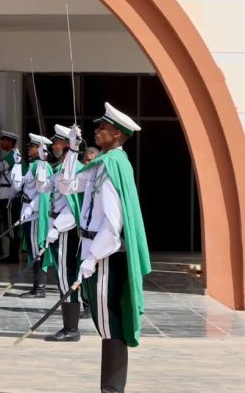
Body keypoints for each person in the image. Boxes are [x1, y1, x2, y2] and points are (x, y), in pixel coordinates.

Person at [58, 103, 151, 393]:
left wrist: (91, 257)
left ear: (118, 134)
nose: (97, 131)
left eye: (103, 128)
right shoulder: (102, 164)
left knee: (110, 324)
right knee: (105, 323)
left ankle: (112, 389)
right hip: (94, 250)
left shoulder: (113, 165)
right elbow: (67, 185)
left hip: (105, 255)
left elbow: (113, 224)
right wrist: (72, 151)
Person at [40, 125, 83, 341]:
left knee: (66, 276)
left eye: (56, 143)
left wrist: (57, 228)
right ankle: (69, 326)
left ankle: (71, 328)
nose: (53, 146)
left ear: (67, 144)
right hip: (58, 227)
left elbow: (73, 207)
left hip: (66, 229)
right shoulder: (60, 169)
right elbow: (42, 188)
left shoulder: (75, 169)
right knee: (62, 276)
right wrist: (41, 162)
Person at [12, 133, 53, 298]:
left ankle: (40, 288)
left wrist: (30, 208)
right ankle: (37, 287)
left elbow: (44, 193)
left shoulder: (42, 166)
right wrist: (16, 164)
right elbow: (17, 186)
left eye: (32, 147)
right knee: (32, 250)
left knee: (37, 251)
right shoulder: (32, 165)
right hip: (27, 213)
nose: (29, 148)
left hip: (35, 215)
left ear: (40, 149)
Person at [0, 130, 24, 263]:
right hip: (5, 195)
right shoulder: (9, 155)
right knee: (9, 225)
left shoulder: (14, 154)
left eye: (4, 140)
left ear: (10, 141)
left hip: (10, 196)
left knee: (12, 226)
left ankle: (14, 256)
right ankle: (12, 254)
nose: (2, 142)